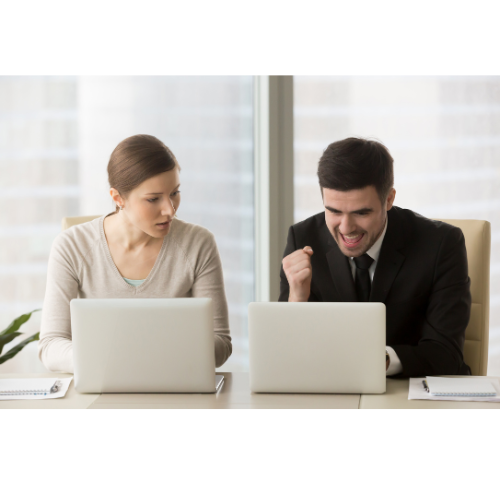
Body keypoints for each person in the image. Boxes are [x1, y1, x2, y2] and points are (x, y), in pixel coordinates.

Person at [39, 134, 232, 372]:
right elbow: (50, 346)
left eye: (174, 193)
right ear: (118, 198)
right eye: (153, 199)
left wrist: (141, 358)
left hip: (175, 389)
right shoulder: (72, 246)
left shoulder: (198, 244)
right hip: (102, 386)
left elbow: (221, 344)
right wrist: (109, 361)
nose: (169, 211)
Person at [280, 138, 471, 377]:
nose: (346, 228)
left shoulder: (442, 244)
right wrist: (297, 297)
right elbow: (288, 359)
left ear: (389, 199)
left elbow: (446, 355)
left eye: (361, 212)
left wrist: (377, 360)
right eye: (334, 211)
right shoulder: (302, 238)